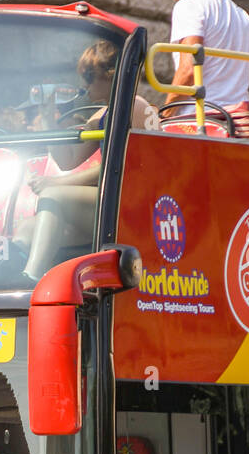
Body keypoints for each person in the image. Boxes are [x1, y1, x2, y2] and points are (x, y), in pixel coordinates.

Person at [21, 41, 153, 278]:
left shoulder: (135, 107)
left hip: (135, 207)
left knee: (53, 196)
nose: (84, 84)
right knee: (26, 230)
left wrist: (56, 184)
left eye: (90, 76)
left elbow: (120, 166)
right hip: (112, 204)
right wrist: (48, 117)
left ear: (111, 75)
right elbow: (67, 160)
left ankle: (30, 283)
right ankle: (8, 281)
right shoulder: (104, 114)